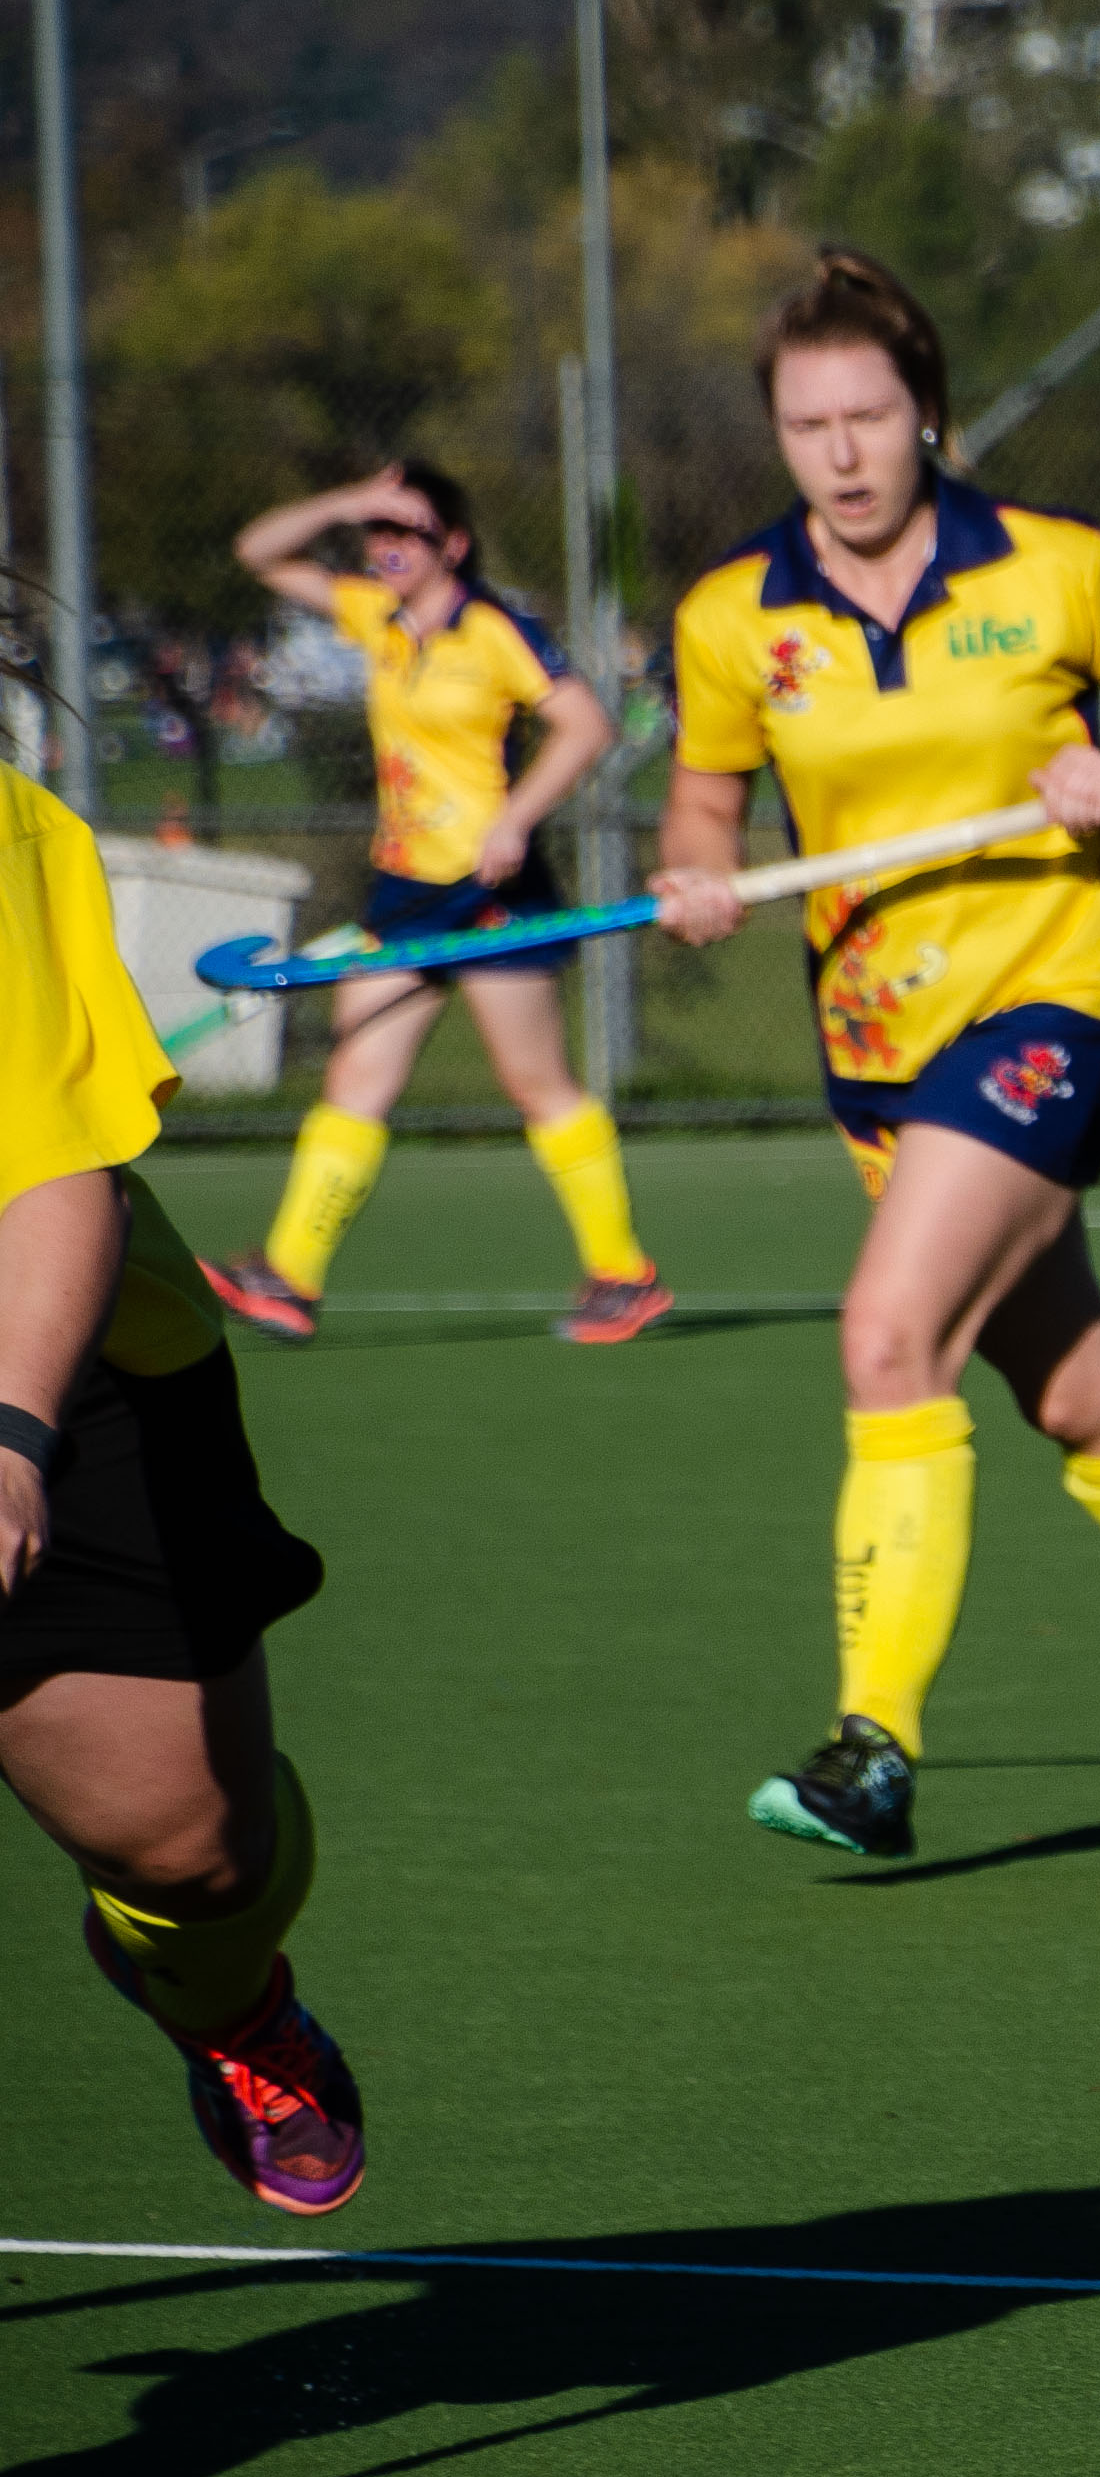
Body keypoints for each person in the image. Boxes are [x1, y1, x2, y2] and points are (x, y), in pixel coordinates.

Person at [647, 250, 1100, 1861]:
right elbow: (708, 798)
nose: (840, 451)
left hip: (1049, 1011)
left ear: (928, 417)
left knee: (892, 1336)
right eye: (808, 422)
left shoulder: (1055, 571)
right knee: (1077, 1390)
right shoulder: (731, 618)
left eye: (869, 415)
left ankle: (874, 1746)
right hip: (876, 1048)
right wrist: (696, 872)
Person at [3, 755, 365, 2213]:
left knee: (197, 1855)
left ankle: (224, 2003)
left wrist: (15, 1432)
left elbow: (42, 1171)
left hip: (55, 1361)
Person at [202, 461, 666, 1346]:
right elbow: (258, 552)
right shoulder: (374, 617)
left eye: (407, 531)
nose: (388, 547)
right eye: (379, 533)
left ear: (452, 543)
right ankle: (290, 1277)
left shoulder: (494, 629)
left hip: (491, 892)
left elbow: (587, 725)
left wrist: (517, 820)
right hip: (405, 890)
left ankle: (623, 1274)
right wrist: (349, 500)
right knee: (356, 1077)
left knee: (538, 1085)